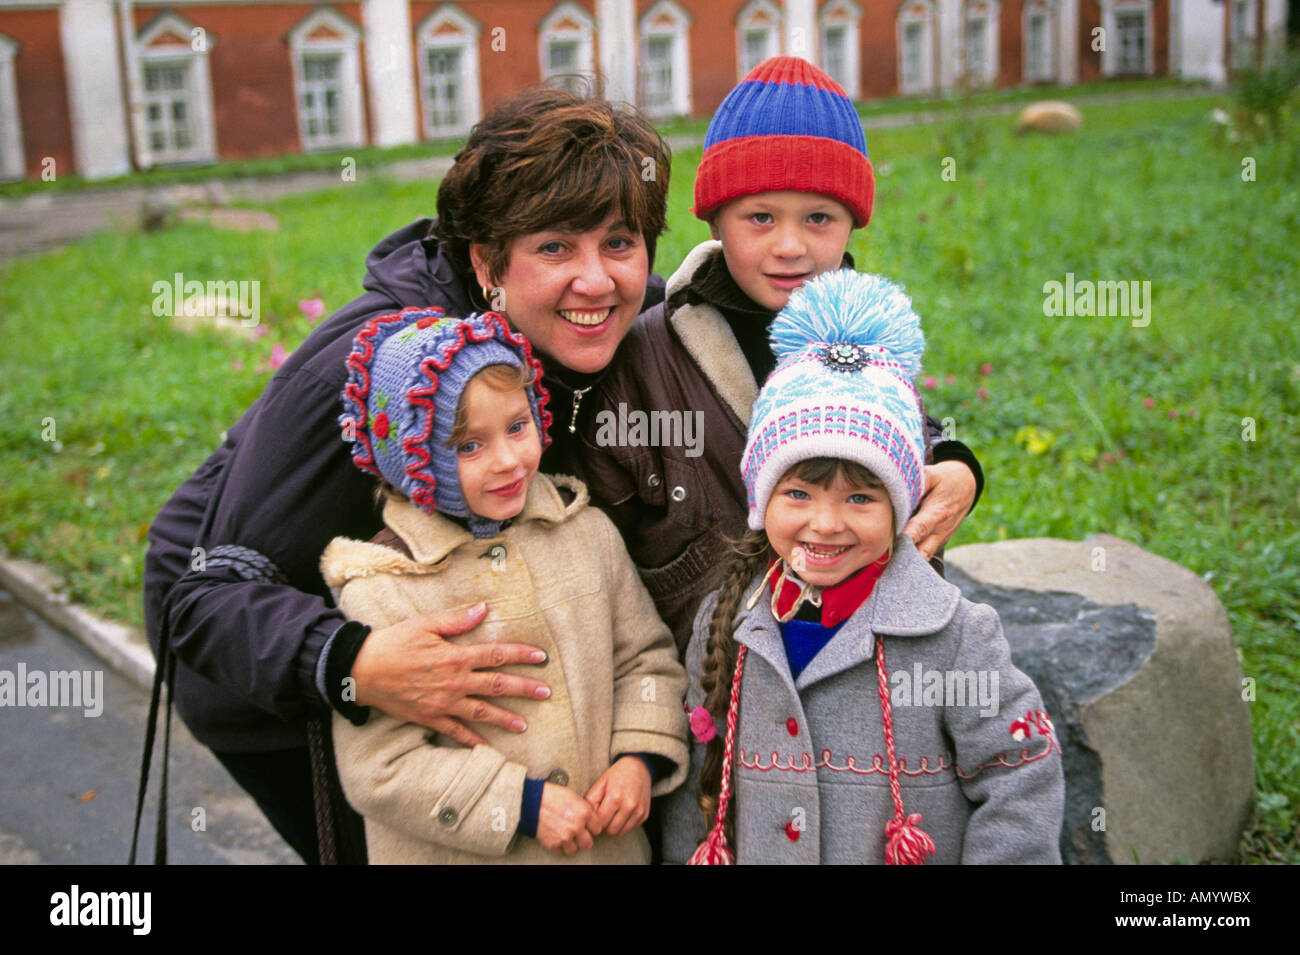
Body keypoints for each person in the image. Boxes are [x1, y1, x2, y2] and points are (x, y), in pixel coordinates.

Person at [141, 87, 673, 863]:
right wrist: (351, 661)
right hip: (267, 676)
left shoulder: (613, 314)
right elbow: (204, 598)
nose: (597, 281)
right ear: (486, 262)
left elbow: (757, 337)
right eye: (555, 247)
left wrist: (921, 456)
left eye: (620, 243)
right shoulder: (375, 373)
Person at [574, 56, 983, 652]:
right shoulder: (643, 359)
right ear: (715, 218)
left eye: (819, 217)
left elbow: (910, 434)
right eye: (760, 216)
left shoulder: (862, 340)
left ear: (853, 223)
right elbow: (607, 567)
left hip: (871, 682)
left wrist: (956, 461)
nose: (790, 246)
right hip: (711, 697)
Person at [661, 270, 1064, 864]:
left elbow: (1019, 773)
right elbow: (697, 786)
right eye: (797, 494)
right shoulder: (723, 622)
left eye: (860, 498)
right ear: (759, 499)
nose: (825, 523)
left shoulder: (955, 637)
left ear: (902, 505)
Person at [320, 307, 687, 863]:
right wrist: (517, 804)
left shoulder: (587, 535)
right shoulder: (383, 590)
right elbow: (379, 767)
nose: (510, 460)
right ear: (411, 459)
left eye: (518, 427)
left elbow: (646, 661)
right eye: (469, 446)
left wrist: (640, 756)